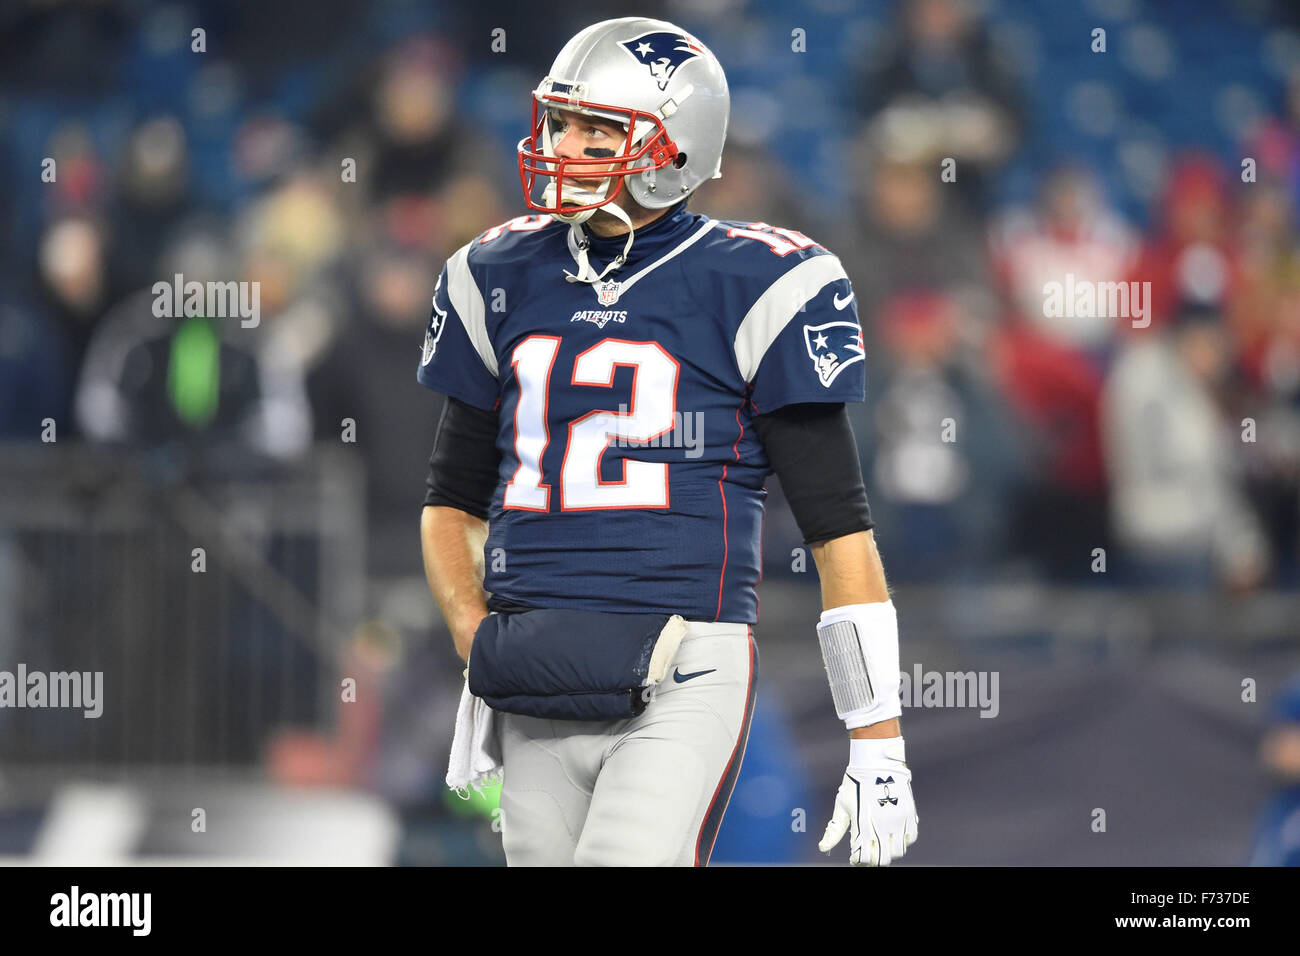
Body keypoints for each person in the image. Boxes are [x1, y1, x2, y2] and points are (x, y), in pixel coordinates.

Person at [417, 17, 918, 866]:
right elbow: (451, 501)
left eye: (598, 129)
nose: (564, 144)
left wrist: (876, 740)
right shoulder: (494, 273)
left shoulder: (760, 280)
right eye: (561, 121)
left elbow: (839, 529)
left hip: (684, 660)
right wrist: (479, 646)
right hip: (536, 666)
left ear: (675, 145)